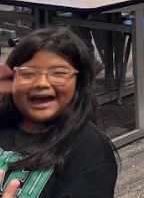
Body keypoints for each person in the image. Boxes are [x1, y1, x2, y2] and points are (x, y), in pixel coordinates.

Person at [0, 27, 118, 197]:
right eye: (28, 73)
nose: (42, 83)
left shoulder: (89, 150)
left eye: (59, 73)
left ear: (79, 83)